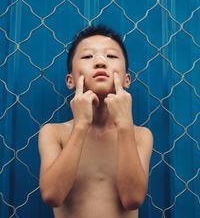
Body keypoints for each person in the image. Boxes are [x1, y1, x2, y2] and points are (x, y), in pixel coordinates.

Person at [38, 25, 153, 218]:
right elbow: (52, 195)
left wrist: (125, 125)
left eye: (111, 56)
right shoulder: (53, 133)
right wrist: (81, 125)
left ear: (126, 80)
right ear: (70, 80)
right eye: (87, 56)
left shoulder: (141, 135)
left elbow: (132, 199)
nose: (100, 62)